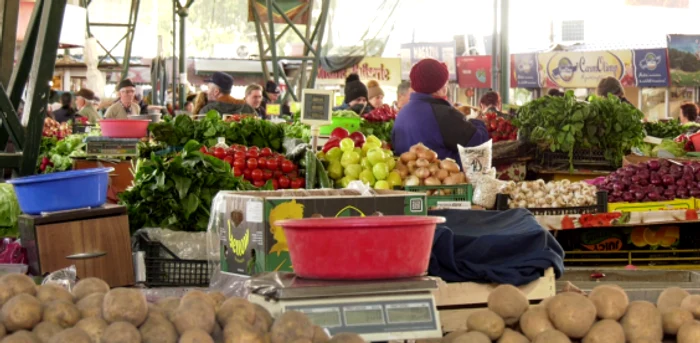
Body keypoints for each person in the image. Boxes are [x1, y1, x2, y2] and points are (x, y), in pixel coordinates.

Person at [392, 58, 489, 166]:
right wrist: (479, 122)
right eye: (445, 82)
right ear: (440, 87)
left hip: (409, 178)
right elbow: (479, 143)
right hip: (445, 180)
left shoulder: (402, 113)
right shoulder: (443, 114)